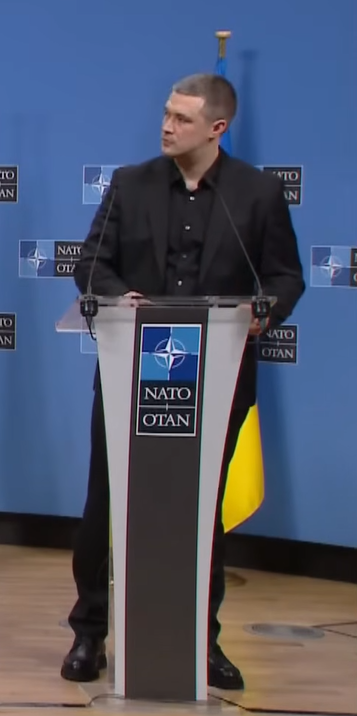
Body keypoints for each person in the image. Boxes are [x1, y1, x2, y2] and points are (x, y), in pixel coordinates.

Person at [64, 73, 305, 690]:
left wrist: (264, 311)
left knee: (201, 512)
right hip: (129, 372)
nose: (166, 125)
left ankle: (203, 641)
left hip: (214, 377)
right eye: (166, 113)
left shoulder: (257, 192)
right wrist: (122, 297)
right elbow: (91, 263)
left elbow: (283, 277)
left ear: (217, 128)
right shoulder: (130, 183)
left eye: (182, 118)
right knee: (105, 505)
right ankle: (89, 633)